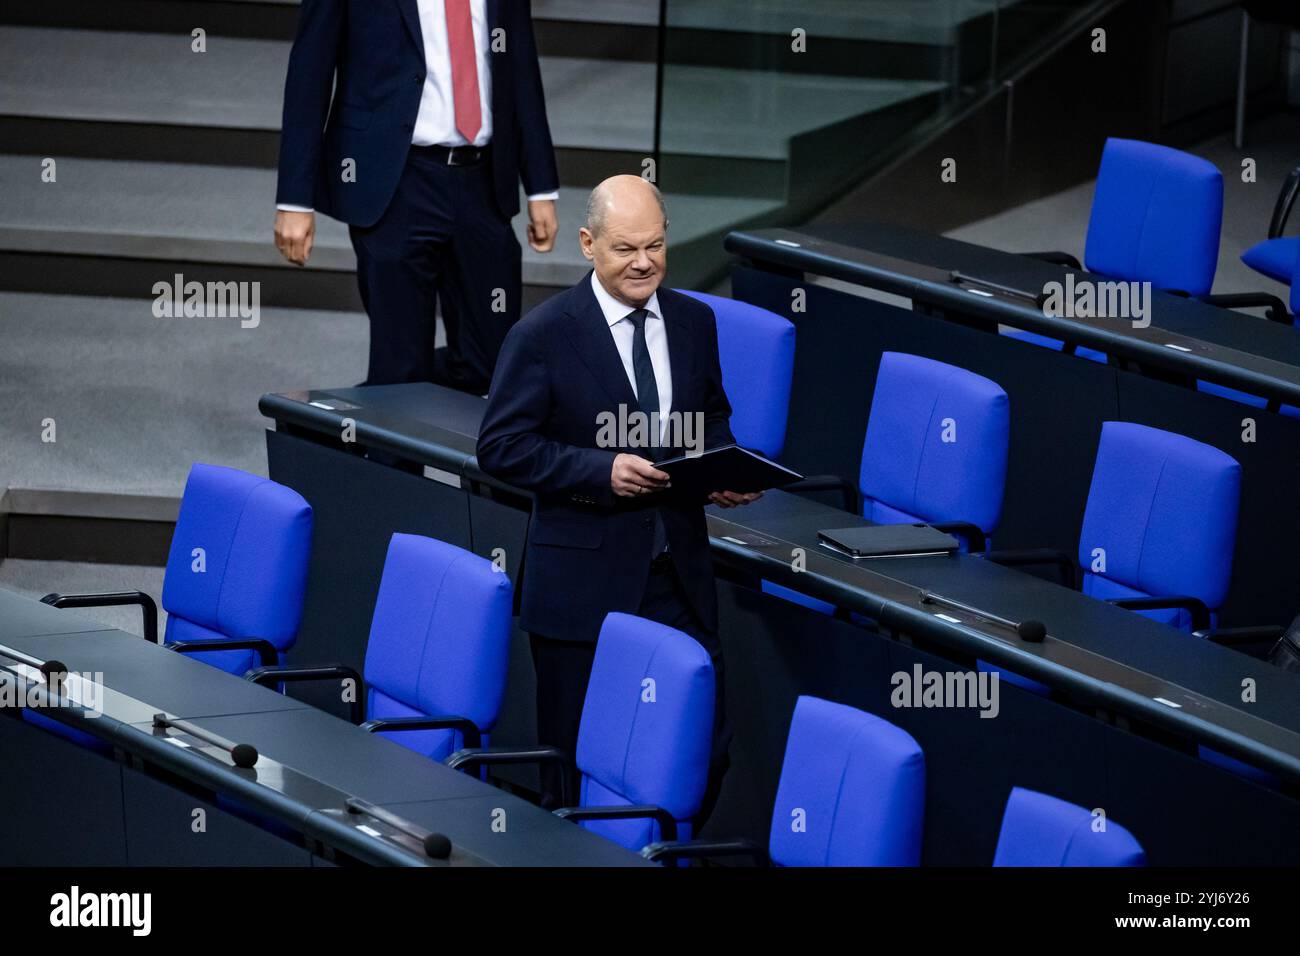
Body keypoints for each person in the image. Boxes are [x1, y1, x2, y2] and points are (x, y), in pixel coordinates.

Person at [476, 175, 760, 819]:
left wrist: (720, 468)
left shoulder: (694, 320)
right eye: (626, 248)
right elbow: (500, 447)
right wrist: (597, 472)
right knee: (575, 774)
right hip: (582, 587)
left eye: (656, 246)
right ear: (587, 244)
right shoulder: (543, 335)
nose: (643, 262)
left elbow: (709, 419)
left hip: (676, 578)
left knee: (704, 749)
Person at [273, 0, 559, 393]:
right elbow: (310, 70)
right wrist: (294, 198)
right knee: (400, 364)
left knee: (492, 364)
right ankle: (383, 409)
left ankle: (363, 405)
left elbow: (521, 62)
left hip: (484, 183)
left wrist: (540, 184)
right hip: (395, 184)